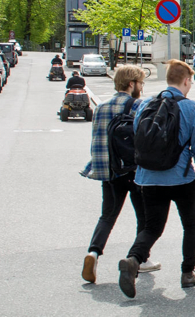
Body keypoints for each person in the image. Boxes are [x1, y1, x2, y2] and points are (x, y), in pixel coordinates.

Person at [120, 59, 195, 298]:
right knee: (190, 225)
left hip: (148, 177)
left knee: (152, 227)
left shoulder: (145, 104)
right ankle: (188, 273)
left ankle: (133, 259)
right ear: (186, 80)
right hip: (181, 178)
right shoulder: (192, 109)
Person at [80, 65, 162, 283]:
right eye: (141, 83)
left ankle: (93, 253)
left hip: (109, 171)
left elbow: (97, 142)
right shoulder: (138, 106)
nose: (142, 88)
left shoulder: (101, 107)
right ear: (131, 84)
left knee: (107, 216)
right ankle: (140, 259)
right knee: (143, 216)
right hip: (134, 170)